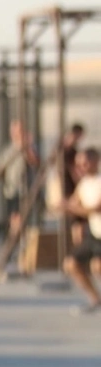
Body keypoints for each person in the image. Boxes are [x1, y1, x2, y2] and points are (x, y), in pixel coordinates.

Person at [63, 147, 101, 315]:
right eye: (79, 164)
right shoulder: (84, 184)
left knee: (98, 267)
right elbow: (71, 203)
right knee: (71, 264)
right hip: (95, 233)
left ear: (95, 161)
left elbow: (95, 209)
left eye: (85, 163)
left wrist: (74, 208)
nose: (82, 167)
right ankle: (95, 298)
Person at [0, 119, 39, 246]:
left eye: (18, 131)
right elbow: (0, 169)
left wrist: (25, 147)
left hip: (25, 190)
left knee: (20, 219)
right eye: (13, 131)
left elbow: (35, 162)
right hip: (11, 189)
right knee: (14, 218)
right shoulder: (8, 149)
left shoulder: (29, 147)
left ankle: (19, 243)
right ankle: (16, 242)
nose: (15, 133)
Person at [62, 123, 86, 247]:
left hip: (67, 187)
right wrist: (82, 185)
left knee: (75, 221)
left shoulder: (63, 149)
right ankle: (78, 248)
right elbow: (74, 171)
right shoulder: (69, 151)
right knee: (77, 221)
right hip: (71, 188)